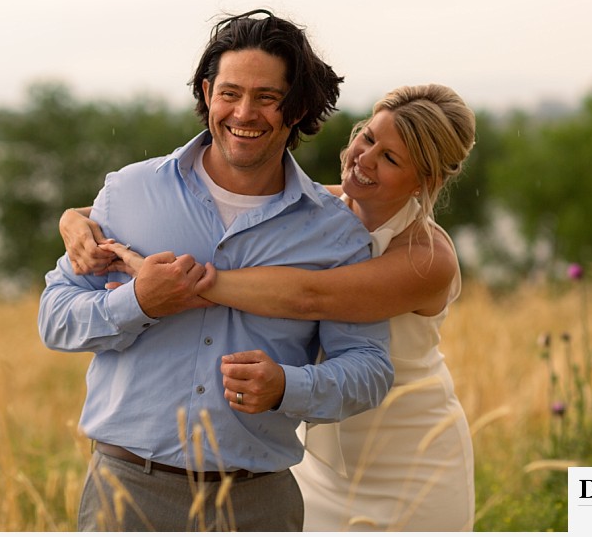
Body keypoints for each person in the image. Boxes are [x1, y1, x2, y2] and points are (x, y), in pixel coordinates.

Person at [38, 9, 394, 532]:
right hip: (126, 494)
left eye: (267, 98)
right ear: (207, 93)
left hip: (258, 505)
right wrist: (137, 303)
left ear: (294, 108)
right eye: (229, 92)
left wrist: (288, 387)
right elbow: (54, 318)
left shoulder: (335, 235)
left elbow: (370, 369)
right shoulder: (129, 191)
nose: (244, 112)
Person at [62, 83, 477, 531]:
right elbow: (120, 210)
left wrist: (178, 287)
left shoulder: (427, 257)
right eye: (368, 137)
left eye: (391, 158)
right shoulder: (323, 207)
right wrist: (72, 221)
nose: (365, 158)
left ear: (427, 180)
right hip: (317, 450)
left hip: (408, 455)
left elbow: (310, 296)